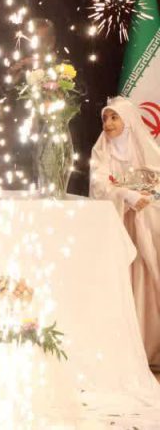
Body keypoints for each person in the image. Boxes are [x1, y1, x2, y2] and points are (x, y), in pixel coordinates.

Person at [89, 96, 160, 367]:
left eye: (114, 117)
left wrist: (147, 198)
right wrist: (126, 195)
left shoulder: (145, 150)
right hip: (118, 224)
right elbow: (99, 186)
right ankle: (123, 350)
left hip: (144, 225)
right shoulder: (101, 151)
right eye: (105, 118)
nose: (108, 123)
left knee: (145, 279)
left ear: (128, 121)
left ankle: (148, 346)